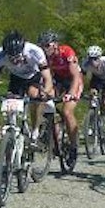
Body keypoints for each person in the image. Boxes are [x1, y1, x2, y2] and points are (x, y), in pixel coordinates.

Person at [0, 30, 54, 136]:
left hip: (34, 75)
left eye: (18, 56)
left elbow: (47, 77)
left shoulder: (35, 51)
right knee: (11, 100)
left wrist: (46, 90)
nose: (15, 60)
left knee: (34, 96)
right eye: (11, 57)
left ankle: (35, 130)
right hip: (16, 77)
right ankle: (12, 130)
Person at [38, 29, 83, 167]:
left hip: (73, 80)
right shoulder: (44, 57)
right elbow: (44, 76)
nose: (44, 49)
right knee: (43, 102)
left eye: (47, 46)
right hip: (57, 80)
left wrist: (71, 94)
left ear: (55, 45)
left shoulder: (67, 52)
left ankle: (74, 146)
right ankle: (50, 131)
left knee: (67, 112)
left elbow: (75, 76)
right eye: (42, 46)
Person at [81, 44, 105, 143]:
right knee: (92, 97)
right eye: (91, 59)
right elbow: (82, 80)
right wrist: (82, 91)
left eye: (95, 59)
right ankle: (91, 122)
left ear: (100, 58)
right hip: (96, 80)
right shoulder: (85, 64)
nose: (93, 62)